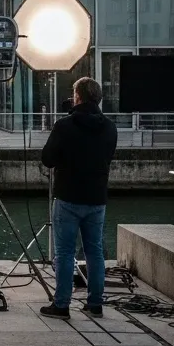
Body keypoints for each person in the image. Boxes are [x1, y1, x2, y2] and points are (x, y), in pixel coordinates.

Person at [38, 77, 118, 320]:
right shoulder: (110, 127)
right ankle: (95, 303)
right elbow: (108, 157)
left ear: (78, 96)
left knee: (64, 252)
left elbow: (47, 159)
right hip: (96, 198)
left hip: (68, 196)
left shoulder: (65, 125)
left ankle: (61, 305)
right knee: (94, 251)